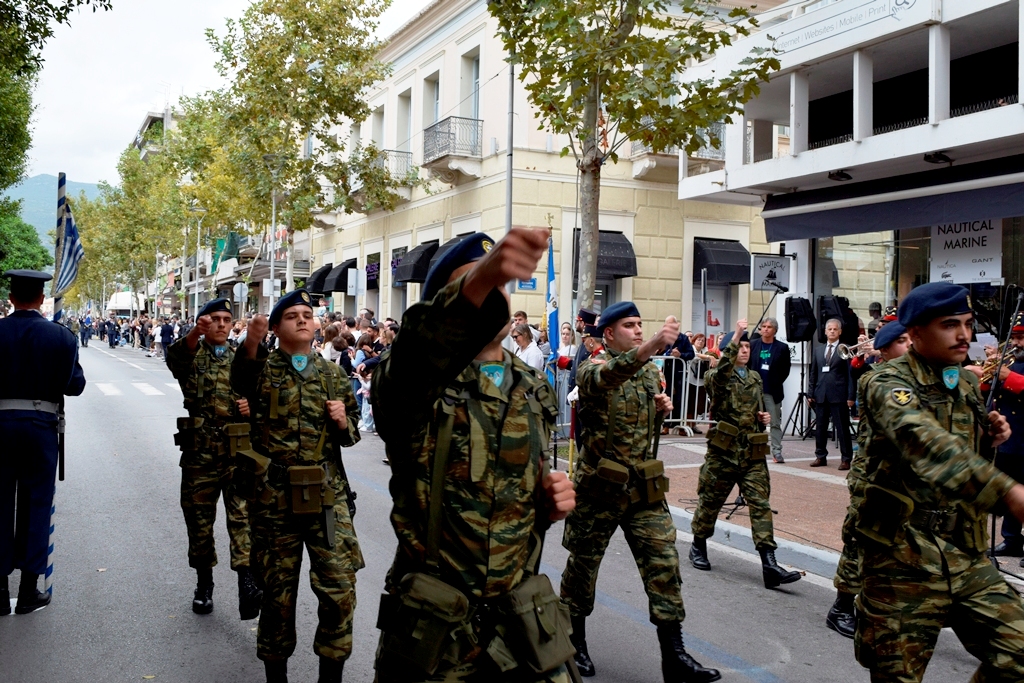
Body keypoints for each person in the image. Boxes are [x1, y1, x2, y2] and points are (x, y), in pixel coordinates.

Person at [371, 229, 577, 683]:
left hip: (520, 618)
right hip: (436, 622)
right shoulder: (414, 382)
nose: (494, 296)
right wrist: (479, 279)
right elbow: (416, 350)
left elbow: (525, 489)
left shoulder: (532, 386)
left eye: (500, 285)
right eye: (479, 285)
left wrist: (550, 500)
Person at [851, 282, 1024, 682]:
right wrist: (1008, 491)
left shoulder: (962, 382)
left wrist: (989, 437)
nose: (965, 335)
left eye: (967, 323)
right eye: (950, 325)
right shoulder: (884, 383)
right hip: (902, 558)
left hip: (963, 552)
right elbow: (924, 441)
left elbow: (958, 446)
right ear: (914, 334)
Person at [561, 301, 719, 682]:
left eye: (640, 325)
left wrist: (662, 406)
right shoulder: (591, 367)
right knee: (582, 570)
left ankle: (675, 656)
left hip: (643, 491)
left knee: (664, 566)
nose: (637, 330)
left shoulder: (650, 373)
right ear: (610, 333)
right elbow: (608, 378)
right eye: (629, 326)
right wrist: (650, 345)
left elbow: (646, 410)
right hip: (599, 490)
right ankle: (573, 643)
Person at [231, 290, 362, 683]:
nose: (303, 320)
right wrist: (252, 339)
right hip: (275, 500)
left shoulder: (334, 374)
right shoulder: (262, 371)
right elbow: (240, 376)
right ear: (276, 327)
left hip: (327, 497)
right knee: (277, 597)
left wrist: (342, 422)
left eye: (308, 314)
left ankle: (330, 678)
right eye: (292, 315)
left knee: (340, 590)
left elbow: (352, 436)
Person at [166, 298, 262, 620]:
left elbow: (264, 401)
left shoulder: (243, 361)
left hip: (237, 455)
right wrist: (195, 332)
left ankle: (246, 583)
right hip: (200, 457)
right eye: (215, 319)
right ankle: (204, 584)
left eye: (226, 319)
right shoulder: (192, 356)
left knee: (242, 520)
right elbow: (176, 358)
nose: (221, 324)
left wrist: (252, 407)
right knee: (200, 524)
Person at [688, 318, 801, 590]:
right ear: (729, 350)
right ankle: (698, 545)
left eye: (748, 346)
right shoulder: (715, 376)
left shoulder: (754, 378)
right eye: (740, 346)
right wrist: (736, 333)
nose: (745, 350)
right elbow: (723, 370)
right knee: (710, 502)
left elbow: (756, 409)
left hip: (751, 453)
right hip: (723, 453)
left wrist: (761, 417)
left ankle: (769, 563)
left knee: (760, 504)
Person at [0, 270, 86, 614]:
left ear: (11, 297)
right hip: (39, 426)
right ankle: (29, 590)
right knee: (37, 504)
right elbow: (75, 386)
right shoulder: (61, 337)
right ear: (40, 299)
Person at [825, 321, 911, 638]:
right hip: (872, 475)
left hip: (902, 478)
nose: (910, 346)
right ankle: (841, 607)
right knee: (860, 540)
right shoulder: (877, 380)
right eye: (902, 341)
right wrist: (870, 353)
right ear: (887, 350)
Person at [969, 312, 1024, 558]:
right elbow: (986, 390)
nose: (1016, 343)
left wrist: (1006, 376)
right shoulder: (1011, 359)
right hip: (1009, 436)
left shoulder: (1011, 367)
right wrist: (988, 370)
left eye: (1021, 338)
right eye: (1014, 337)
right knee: (1009, 486)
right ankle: (1011, 540)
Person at [808, 318, 855, 469]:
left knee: (842, 428)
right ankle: (820, 456)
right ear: (825, 331)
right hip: (821, 394)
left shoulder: (845, 349)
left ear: (840, 331)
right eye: (830, 329)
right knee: (820, 428)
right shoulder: (818, 350)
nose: (832, 331)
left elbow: (850, 374)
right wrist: (811, 393)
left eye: (835, 329)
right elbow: (813, 373)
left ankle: (846, 458)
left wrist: (850, 395)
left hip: (839, 395)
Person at [749, 317, 791, 463]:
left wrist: (775, 381)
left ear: (775, 330)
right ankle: (754, 450)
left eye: (769, 327)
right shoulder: (752, 344)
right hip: (754, 391)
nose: (765, 329)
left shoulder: (782, 348)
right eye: (764, 326)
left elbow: (786, 370)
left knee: (774, 422)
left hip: (772, 390)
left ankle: (777, 451)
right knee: (752, 421)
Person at [660, 315, 695, 432]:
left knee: (680, 399)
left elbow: (691, 354)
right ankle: (665, 425)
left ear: (676, 325)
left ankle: (679, 424)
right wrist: (666, 353)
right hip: (667, 372)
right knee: (666, 398)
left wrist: (680, 355)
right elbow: (659, 353)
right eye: (667, 325)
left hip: (680, 372)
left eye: (671, 324)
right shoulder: (663, 338)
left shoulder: (683, 338)